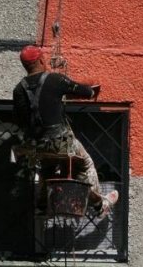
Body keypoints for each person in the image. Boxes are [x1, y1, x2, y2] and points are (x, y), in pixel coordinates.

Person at [13, 45, 118, 219]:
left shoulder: (18, 90)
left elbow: (19, 120)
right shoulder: (55, 80)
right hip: (61, 144)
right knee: (85, 164)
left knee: (47, 168)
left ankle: (42, 206)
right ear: (41, 60)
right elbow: (87, 92)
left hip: (36, 147)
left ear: (25, 66)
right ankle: (100, 205)